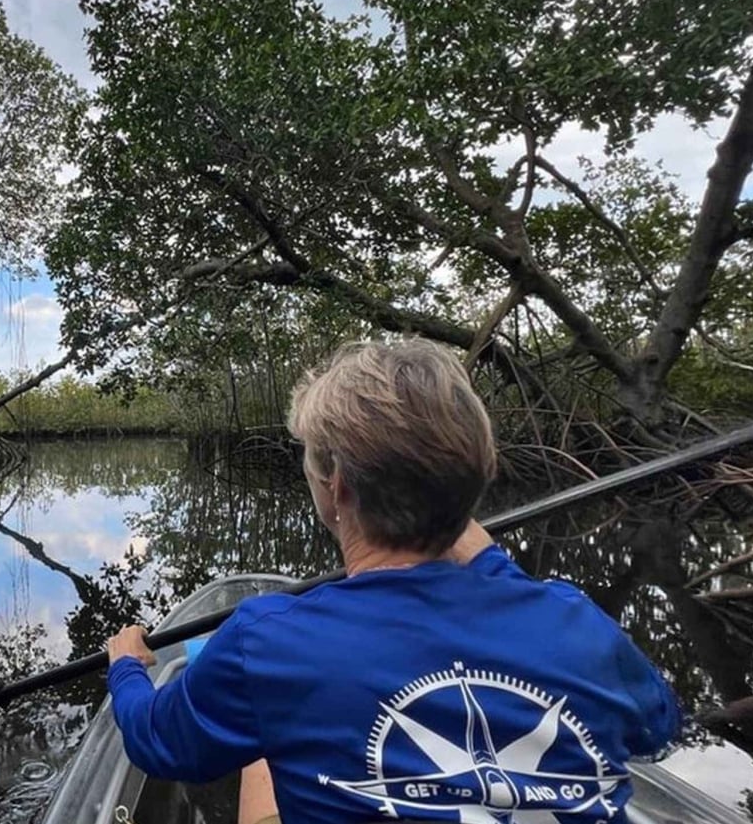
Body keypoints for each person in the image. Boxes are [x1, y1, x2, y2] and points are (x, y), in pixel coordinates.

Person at [105, 339, 680, 824]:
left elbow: (159, 741)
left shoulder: (271, 642)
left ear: (337, 488)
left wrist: (127, 665)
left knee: (262, 746)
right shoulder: (573, 620)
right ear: (478, 478)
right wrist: (481, 549)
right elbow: (658, 728)